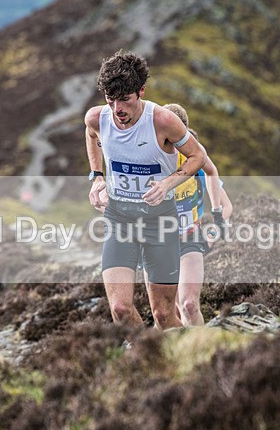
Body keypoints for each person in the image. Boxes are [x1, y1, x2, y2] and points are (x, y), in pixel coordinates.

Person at [85, 50, 205, 331]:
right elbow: (91, 134)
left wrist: (167, 184)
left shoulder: (162, 121)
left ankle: (182, 361)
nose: (118, 110)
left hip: (160, 223)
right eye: (110, 100)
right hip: (120, 220)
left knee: (164, 315)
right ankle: (151, 360)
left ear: (141, 91)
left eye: (125, 100)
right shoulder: (96, 118)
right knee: (120, 309)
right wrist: (97, 177)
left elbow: (197, 156)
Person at [162, 103, 233, 326]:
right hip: (159, 242)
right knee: (167, 312)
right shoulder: (152, 160)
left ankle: (201, 350)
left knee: (189, 305)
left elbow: (226, 206)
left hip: (190, 240)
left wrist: (213, 229)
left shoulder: (197, 162)